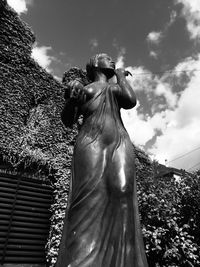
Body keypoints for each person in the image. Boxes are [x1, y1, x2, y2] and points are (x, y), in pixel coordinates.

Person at [56, 53, 148, 267]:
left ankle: (125, 260)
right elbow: (68, 120)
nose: (112, 61)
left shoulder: (115, 89)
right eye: (107, 58)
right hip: (91, 142)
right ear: (95, 64)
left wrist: (120, 77)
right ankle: (81, 260)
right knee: (88, 195)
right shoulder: (85, 89)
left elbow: (130, 100)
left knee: (123, 191)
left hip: (119, 143)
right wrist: (72, 100)